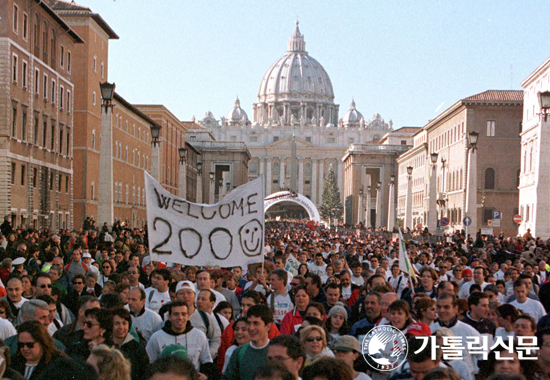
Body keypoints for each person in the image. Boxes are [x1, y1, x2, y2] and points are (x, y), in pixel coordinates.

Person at [146, 301, 212, 370]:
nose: (180, 317)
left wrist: (205, 375)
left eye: (183, 314)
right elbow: (149, 363)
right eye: (175, 314)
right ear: (169, 317)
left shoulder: (199, 335)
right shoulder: (156, 337)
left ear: (188, 316)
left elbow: (207, 361)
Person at [430, 292, 481, 374]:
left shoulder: (469, 332)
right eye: (439, 307)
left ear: (455, 309)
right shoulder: (429, 332)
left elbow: (483, 359)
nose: (442, 310)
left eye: (446, 307)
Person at [223, 304, 274, 380]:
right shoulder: (239, 353)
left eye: (256, 323)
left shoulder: (277, 353)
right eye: (249, 323)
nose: (251, 328)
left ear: (268, 326)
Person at [110, 307, 149, 380]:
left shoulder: (137, 347)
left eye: (124, 323)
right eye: (117, 323)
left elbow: (145, 372)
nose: (121, 327)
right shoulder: (106, 346)